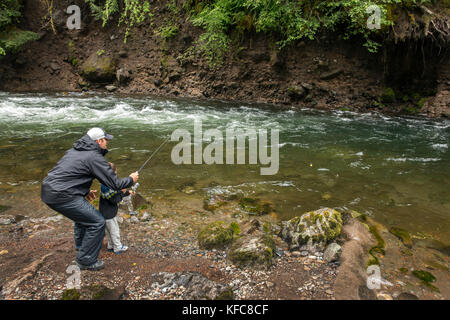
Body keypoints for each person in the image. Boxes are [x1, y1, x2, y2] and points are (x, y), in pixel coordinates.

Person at [41, 128, 139, 271]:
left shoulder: (73, 152)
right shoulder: (94, 157)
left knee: (84, 218)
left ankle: (82, 247)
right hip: (63, 195)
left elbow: (69, 175)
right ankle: (85, 260)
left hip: (49, 191)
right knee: (97, 222)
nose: (107, 143)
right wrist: (131, 179)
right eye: (106, 140)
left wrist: (84, 191)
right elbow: (114, 184)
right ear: (99, 141)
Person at [100, 162, 134, 254]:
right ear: (114, 172)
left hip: (105, 212)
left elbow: (118, 190)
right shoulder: (107, 186)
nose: (116, 176)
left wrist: (128, 192)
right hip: (109, 214)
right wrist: (122, 193)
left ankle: (111, 246)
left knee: (110, 231)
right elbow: (115, 200)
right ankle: (118, 247)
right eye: (115, 174)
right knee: (114, 231)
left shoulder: (105, 182)